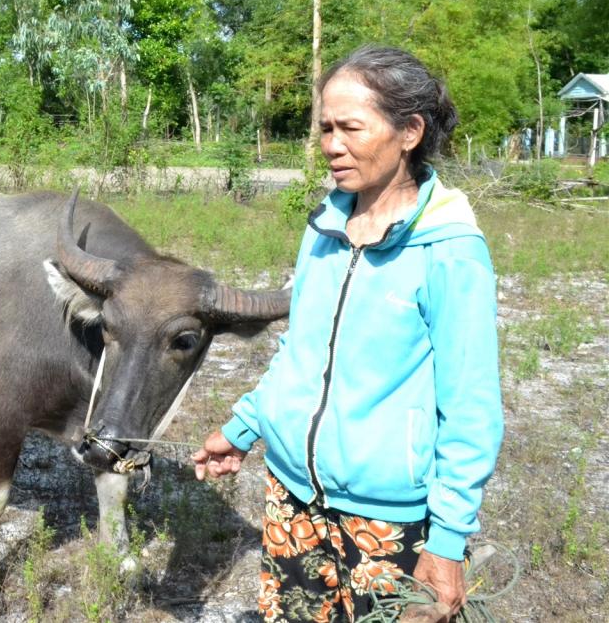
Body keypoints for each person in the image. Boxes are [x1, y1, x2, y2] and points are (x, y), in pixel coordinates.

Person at [191, 46, 502, 623]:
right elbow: (300, 353)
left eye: (350, 128)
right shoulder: (325, 228)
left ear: (409, 131)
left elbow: (471, 407)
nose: (331, 145)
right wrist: (242, 429)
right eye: (325, 128)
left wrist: (449, 538)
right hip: (291, 498)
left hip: (388, 520)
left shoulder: (451, 250)